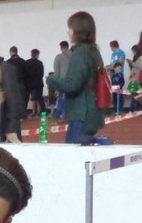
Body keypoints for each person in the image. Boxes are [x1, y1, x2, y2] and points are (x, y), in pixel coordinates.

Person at [46, 12, 106, 146]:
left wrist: (51, 79)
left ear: (78, 30)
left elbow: (72, 85)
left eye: (70, 28)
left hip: (81, 114)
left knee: (73, 151)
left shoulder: (80, 53)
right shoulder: (93, 51)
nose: (68, 32)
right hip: (92, 112)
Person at [51, 40, 71, 118]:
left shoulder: (59, 57)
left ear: (61, 47)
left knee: (62, 98)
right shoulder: (74, 56)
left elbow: (57, 72)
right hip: (74, 81)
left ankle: (59, 114)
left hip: (63, 81)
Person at [24, 49, 45, 117]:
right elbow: (41, 74)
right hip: (38, 83)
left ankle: (33, 112)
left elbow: (25, 74)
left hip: (29, 84)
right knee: (39, 99)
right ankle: (39, 112)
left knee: (33, 99)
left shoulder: (26, 62)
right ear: (37, 54)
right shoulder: (39, 63)